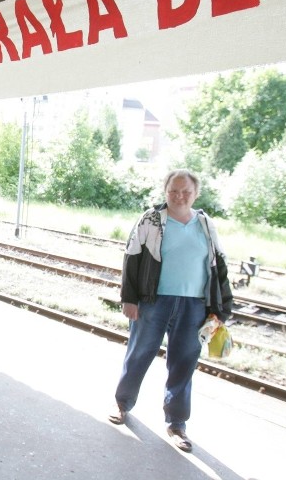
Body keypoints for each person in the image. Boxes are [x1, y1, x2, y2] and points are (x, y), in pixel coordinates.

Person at [108, 169, 233, 453]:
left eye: (185, 191)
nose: (179, 196)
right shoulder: (151, 219)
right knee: (139, 353)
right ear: (165, 191)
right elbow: (131, 258)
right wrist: (129, 298)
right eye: (173, 191)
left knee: (184, 363)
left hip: (194, 306)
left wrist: (220, 308)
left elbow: (219, 266)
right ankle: (122, 403)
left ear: (195, 193)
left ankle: (176, 422)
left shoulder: (205, 224)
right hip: (154, 300)